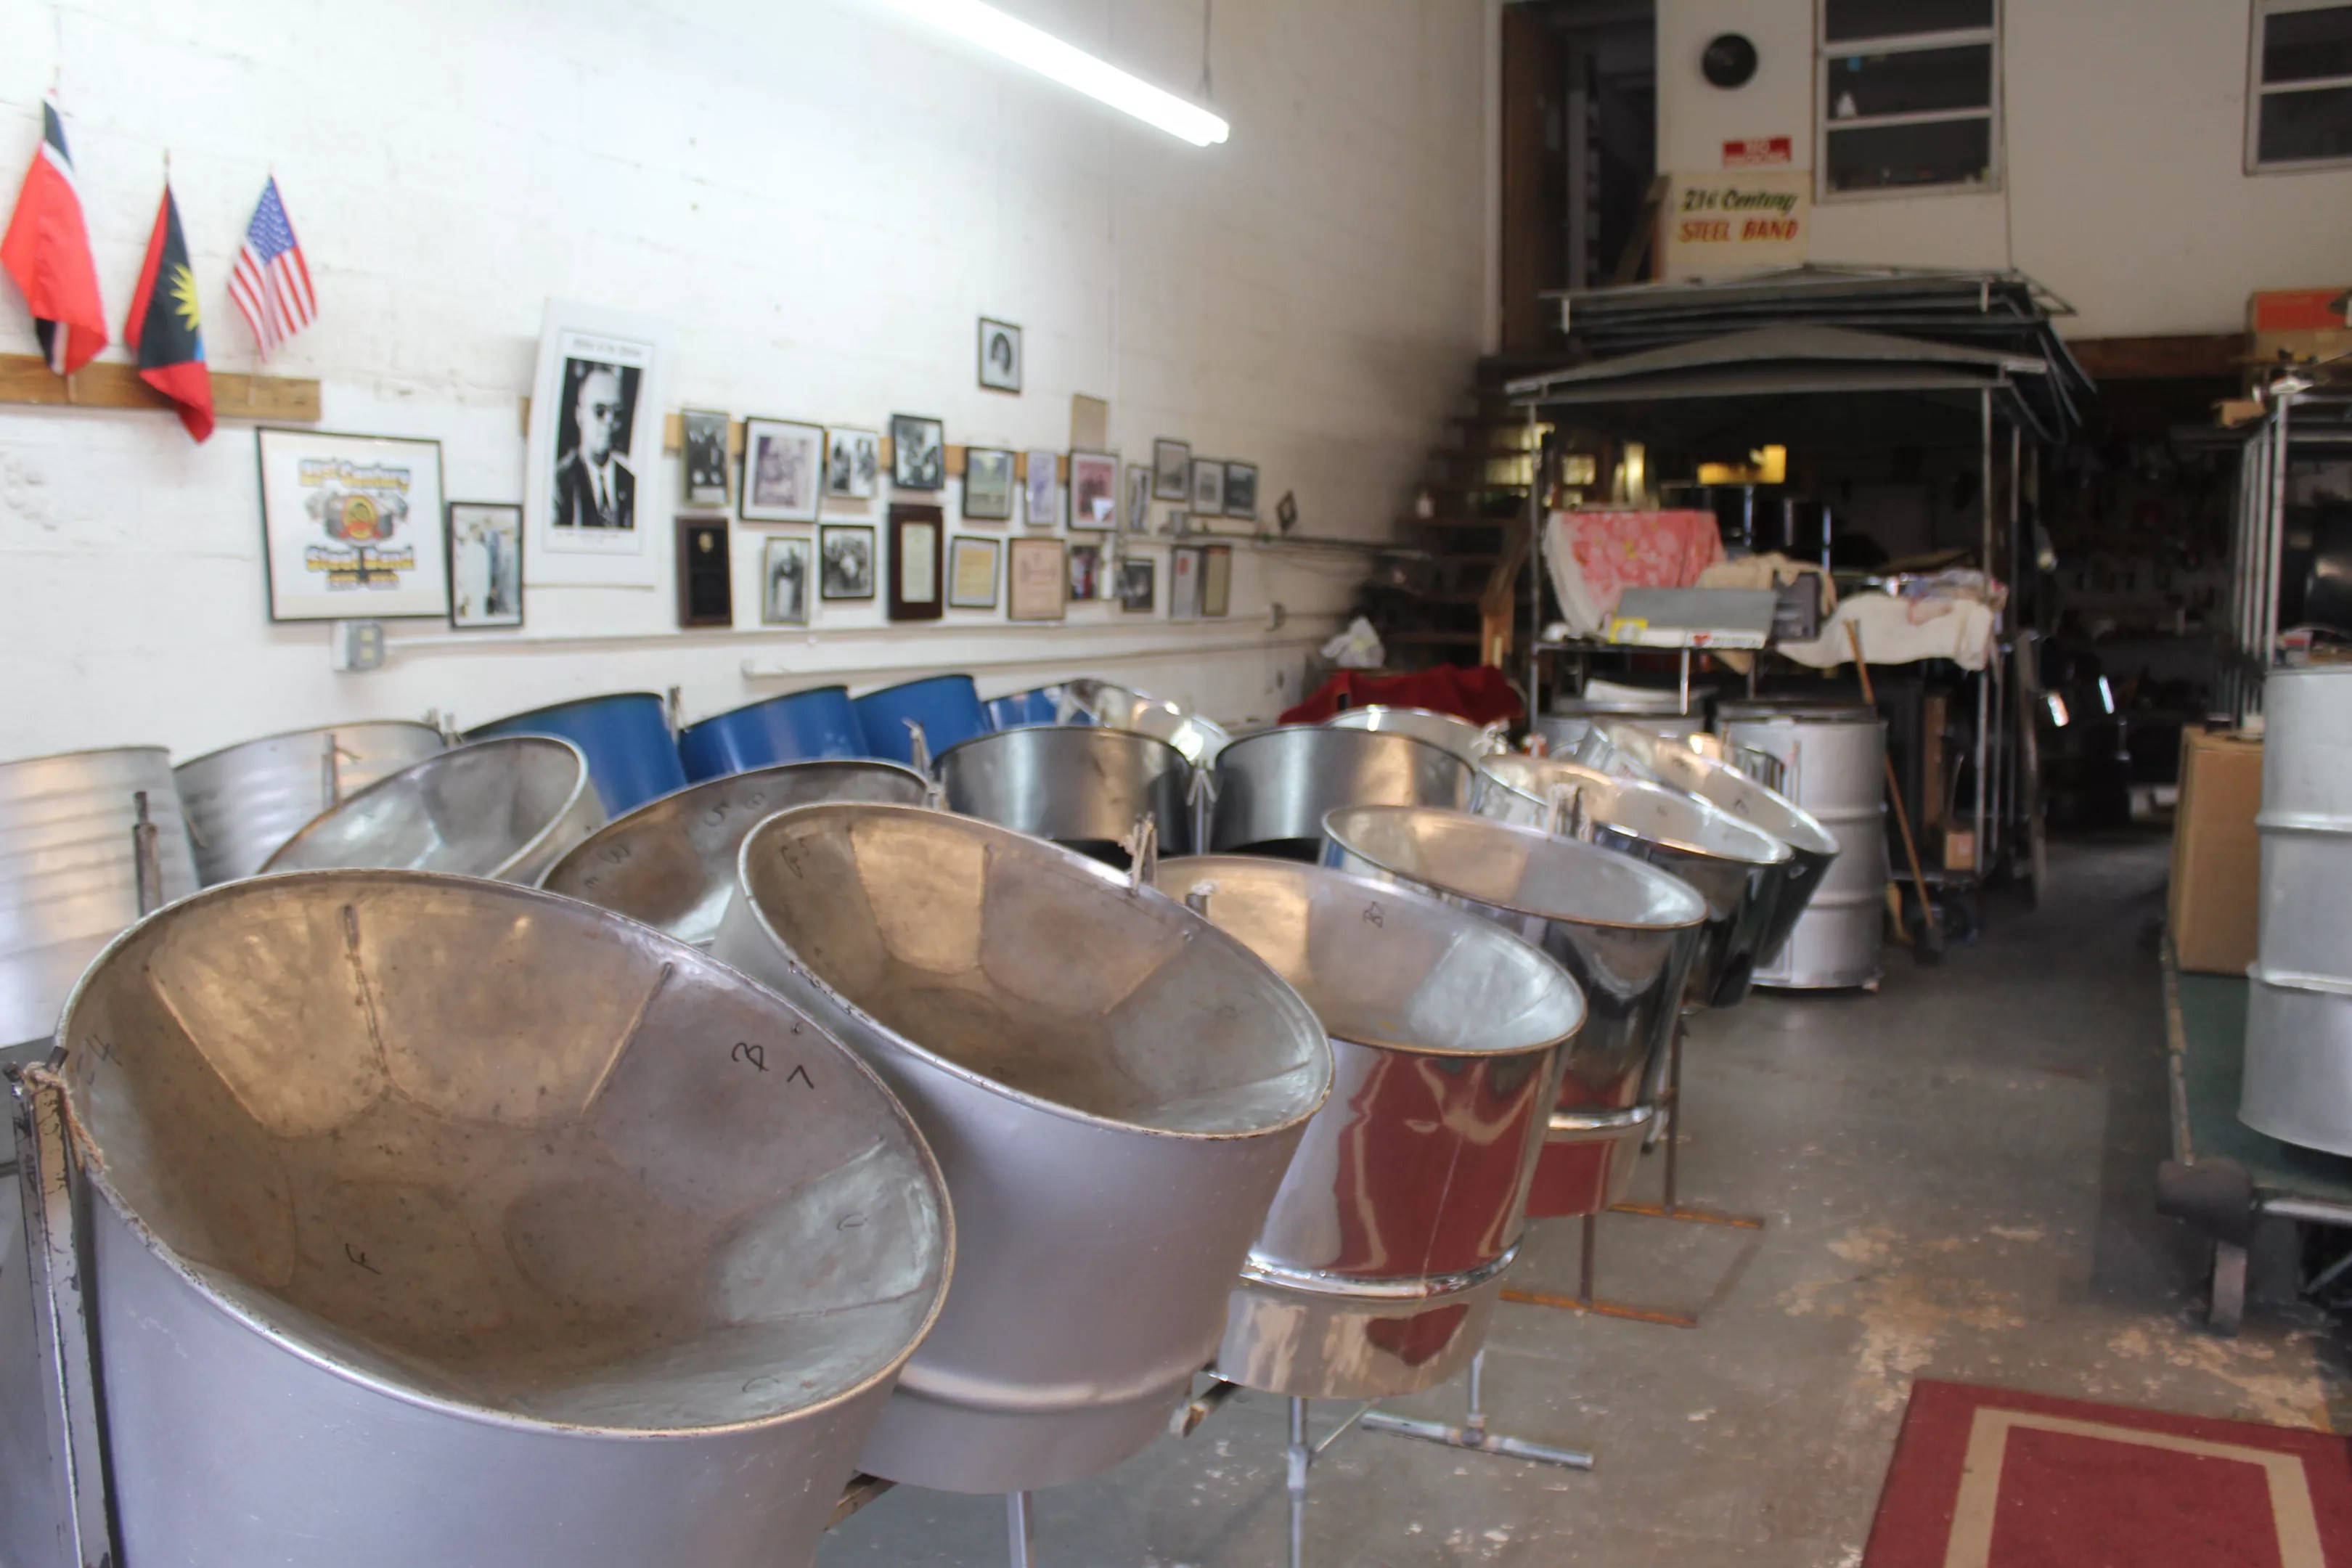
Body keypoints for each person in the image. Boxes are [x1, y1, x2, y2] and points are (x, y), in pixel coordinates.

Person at [553, 362, 634, 530]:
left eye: (617, 413)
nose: (609, 421)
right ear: (579, 416)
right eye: (600, 411)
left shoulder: (631, 482)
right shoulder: (559, 484)